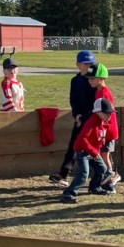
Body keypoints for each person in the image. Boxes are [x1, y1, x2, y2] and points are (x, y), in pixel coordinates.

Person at [49, 50, 98, 186]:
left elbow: (96, 101)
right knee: (73, 145)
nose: (88, 66)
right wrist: (76, 115)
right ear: (78, 64)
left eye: (91, 63)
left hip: (93, 118)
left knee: (97, 147)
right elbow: (73, 100)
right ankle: (63, 173)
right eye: (85, 63)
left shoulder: (93, 81)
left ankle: (105, 174)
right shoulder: (75, 81)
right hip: (80, 119)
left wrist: (87, 115)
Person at [61, 98, 118, 203]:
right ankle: (68, 193)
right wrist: (93, 152)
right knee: (84, 174)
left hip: (93, 151)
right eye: (107, 113)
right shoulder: (91, 122)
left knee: (102, 169)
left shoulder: (104, 122)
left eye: (111, 113)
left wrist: (95, 150)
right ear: (98, 112)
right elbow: (82, 139)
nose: (109, 116)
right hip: (82, 151)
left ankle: (94, 187)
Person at [87, 63, 121, 184]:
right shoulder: (98, 92)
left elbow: (108, 116)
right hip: (103, 130)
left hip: (108, 131)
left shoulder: (104, 94)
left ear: (101, 78)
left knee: (104, 153)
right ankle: (109, 174)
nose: (90, 81)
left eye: (92, 78)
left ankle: (111, 175)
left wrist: (95, 112)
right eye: (89, 78)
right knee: (103, 153)